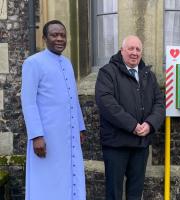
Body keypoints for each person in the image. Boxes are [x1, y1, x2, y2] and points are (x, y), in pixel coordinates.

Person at [21, 20, 86, 200]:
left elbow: (73, 98)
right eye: (54, 35)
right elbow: (28, 101)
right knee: (46, 182)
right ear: (44, 38)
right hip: (47, 137)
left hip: (68, 136)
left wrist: (80, 127)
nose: (59, 39)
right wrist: (36, 136)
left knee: (68, 177)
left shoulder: (67, 63)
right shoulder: (33, 63)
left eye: (63, 35)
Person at [95, 35, 165, 200]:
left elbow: (160, 104)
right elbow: (106, 104)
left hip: (140, 144)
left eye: (138, 49)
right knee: (114, 193)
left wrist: (149, 124)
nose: (134, 53)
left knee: (136, 192)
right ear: (122, 50)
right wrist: (133, 125)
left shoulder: (148, 75)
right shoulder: (107, 72)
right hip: (116, 144)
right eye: (130, 48)